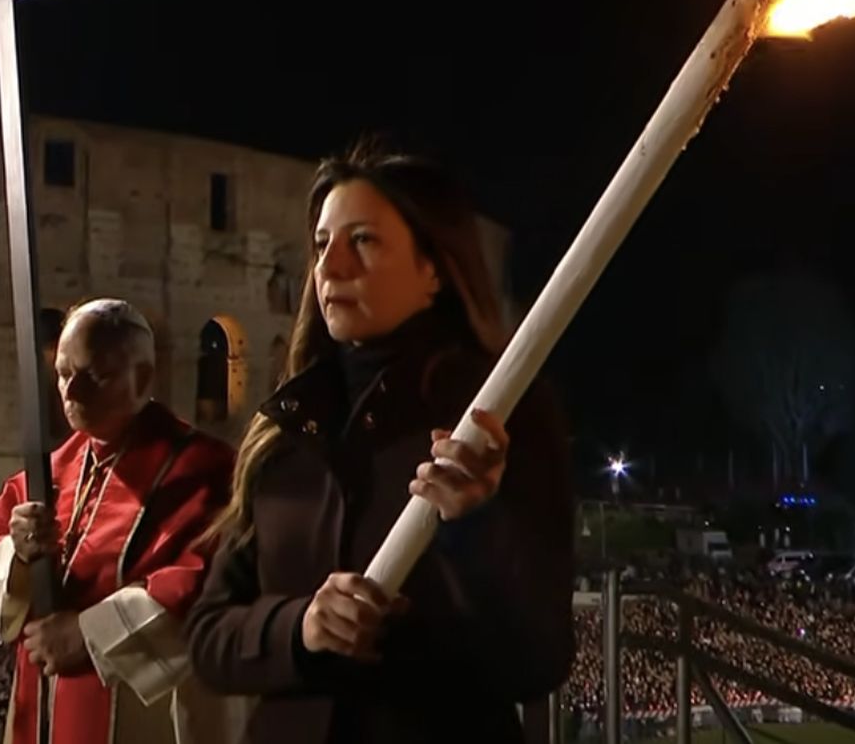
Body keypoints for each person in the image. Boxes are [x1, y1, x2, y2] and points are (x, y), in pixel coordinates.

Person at [185, 143, 575, 744]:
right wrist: (301, 627)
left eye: (362, 241)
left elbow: (537, 660)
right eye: (321, 245)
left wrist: (475, 527)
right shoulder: (285, 426)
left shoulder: (499, 416)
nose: (330, 267)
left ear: (433, 270)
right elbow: (210, 636)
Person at [0, 299, 244, 744]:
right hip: (43, 704)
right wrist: (18, 552)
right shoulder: (51, 472)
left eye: (94, 376)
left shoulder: (205, 469)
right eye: (63, 374)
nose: (71, 393)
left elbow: (209, 580)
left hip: (140, 709)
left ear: (143, 378)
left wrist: (89, 634)